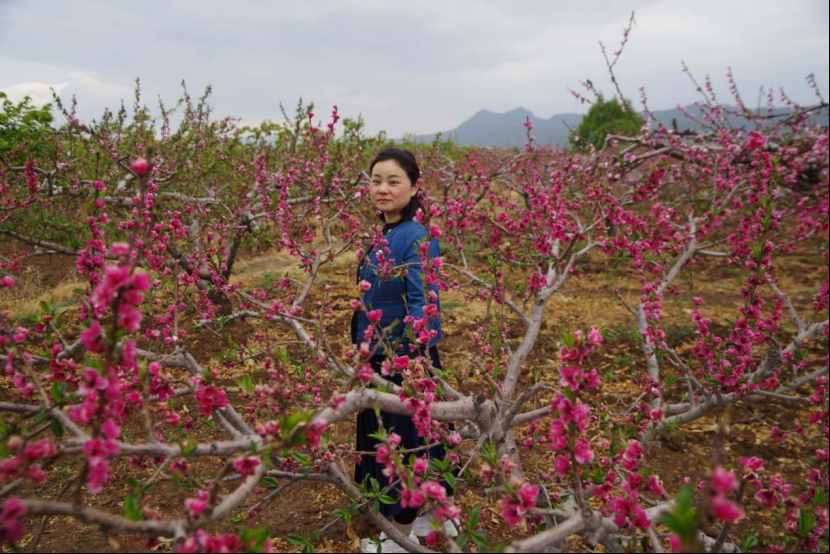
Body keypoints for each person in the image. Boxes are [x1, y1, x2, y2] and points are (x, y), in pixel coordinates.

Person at [351, 147, 448, 553]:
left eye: (394, 181)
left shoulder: (415, 238)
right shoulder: (385, 232)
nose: (383, 189)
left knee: (403, 444)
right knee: (414, 442)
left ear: (414, 187)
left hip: (405, 360)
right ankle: (430, 521)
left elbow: (425, 306)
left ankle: (401, 539)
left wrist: (415, 362)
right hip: (382, 355)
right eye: (376, 181)